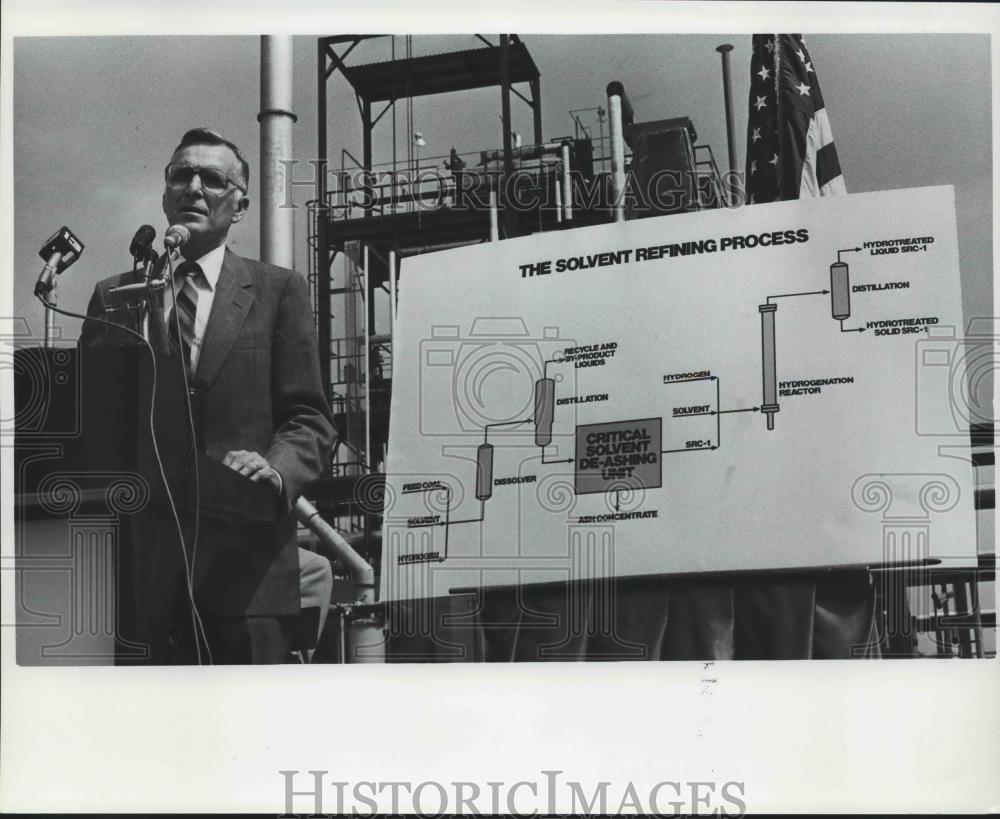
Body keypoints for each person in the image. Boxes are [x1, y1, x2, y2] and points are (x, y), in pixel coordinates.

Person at [80, 128, 335, 663]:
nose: (194, 187)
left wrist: (276, 470)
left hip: (246, 571)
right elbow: (90, 418)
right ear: (165, 193)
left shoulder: (277, 291)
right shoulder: (114, 296)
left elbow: (310, 419)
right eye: (181, 175)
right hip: (139, 571)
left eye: (213, 179)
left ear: (239, 204)